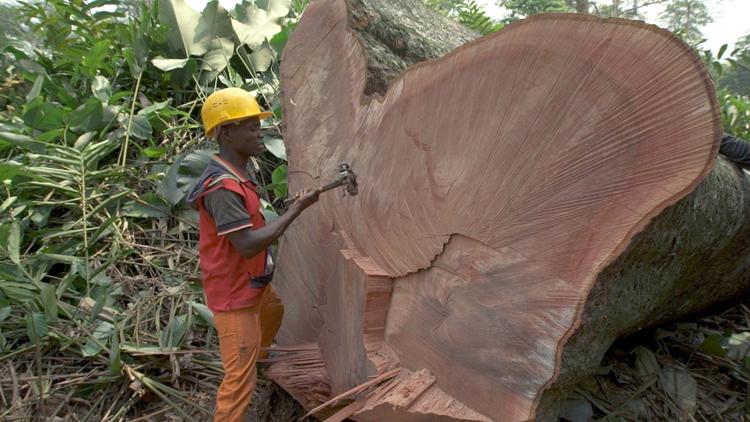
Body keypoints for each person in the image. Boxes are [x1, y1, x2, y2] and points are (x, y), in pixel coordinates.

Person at [186, 87, 320, 421]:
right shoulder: (222, 189)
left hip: (253, 286)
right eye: (251, 126)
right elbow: (246, 244)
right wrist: (297, 211)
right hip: (235, 299)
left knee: (274, 311)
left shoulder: (237, 173)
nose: (260, 132)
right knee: (237, 384)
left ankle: (259, 355)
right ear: (227, 133)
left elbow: (248, 223)